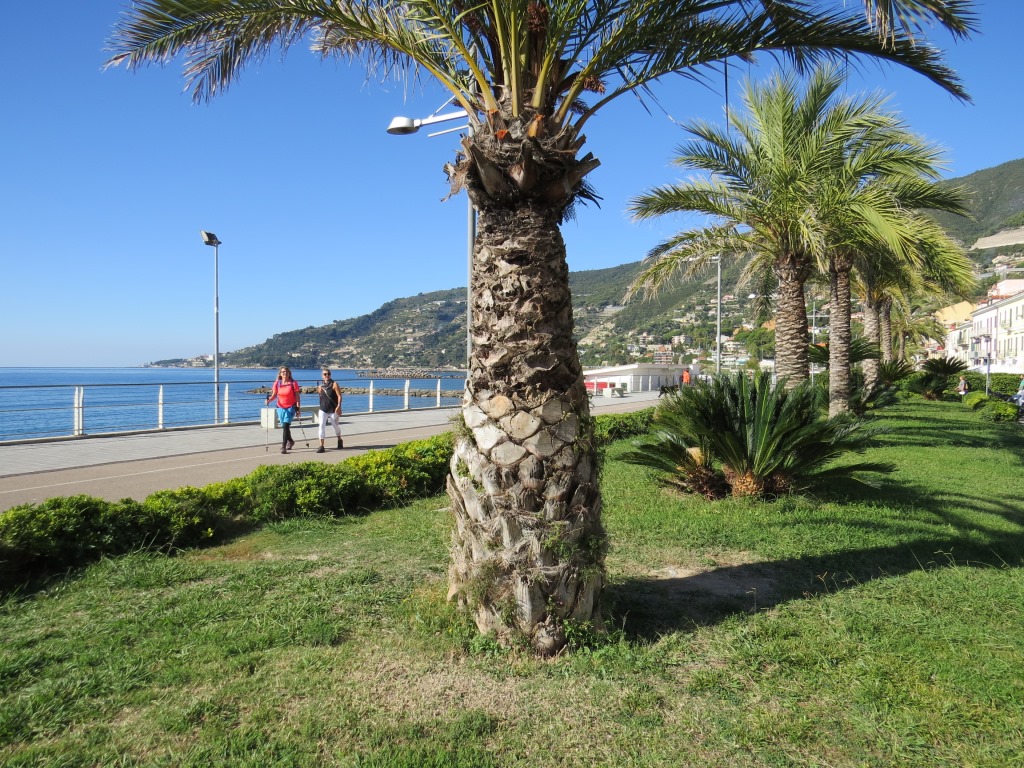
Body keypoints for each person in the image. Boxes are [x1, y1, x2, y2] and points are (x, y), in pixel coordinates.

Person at [266, 366, 301, 454]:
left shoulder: (293, 383)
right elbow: (274, 395)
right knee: (285, 427)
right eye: (283, 372)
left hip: (291, 407)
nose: (284, 373)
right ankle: (291, 441)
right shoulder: (277, 383)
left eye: (286, 371)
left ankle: (283, 446)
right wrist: (269, 400)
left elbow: (297, 397)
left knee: (285, 426)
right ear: (280, 374)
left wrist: (298, 408)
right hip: (280, 407)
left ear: (289, 373)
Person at [316, 368, 344, 453]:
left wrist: (339, 406)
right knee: (321, 425)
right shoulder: (320, 387)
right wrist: (320, 407)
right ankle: (321, 446)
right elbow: (321, 398)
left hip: (333, 409)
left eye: (328, 374)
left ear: (330, 375)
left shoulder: (334, 384)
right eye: (325, 374)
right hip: (323, 409)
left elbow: (339, 396)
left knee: (334, 425)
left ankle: (339, 439)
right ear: (322, 376)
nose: (327, 375)